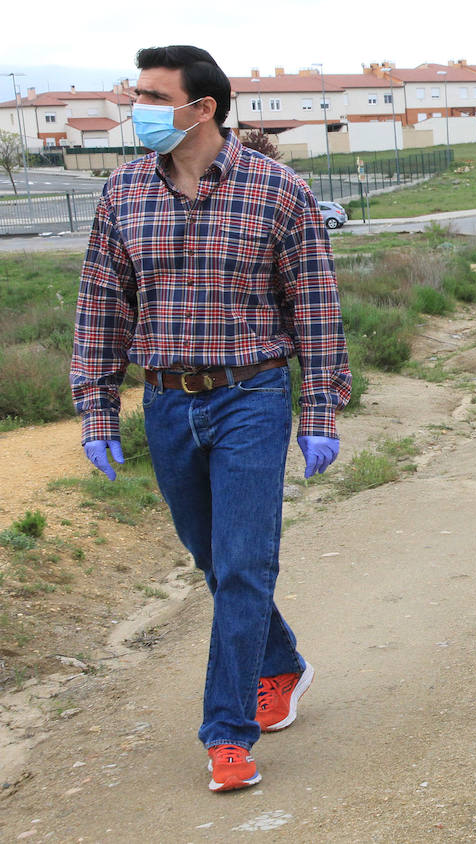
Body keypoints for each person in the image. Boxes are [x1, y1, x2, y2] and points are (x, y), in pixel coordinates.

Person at [70, 45, 350, 793]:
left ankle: (227, 735)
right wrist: (96, 410)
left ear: (203, 109)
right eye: (137, 94)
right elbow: (101, 308)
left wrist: (318, 408)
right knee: (211, 558)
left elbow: (316, 311)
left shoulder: (277, 191)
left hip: (250, 396)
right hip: (165, 402)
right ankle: (282, 660)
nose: (139, 109)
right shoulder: (122, 193)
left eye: (154, 97)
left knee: (243, 563)